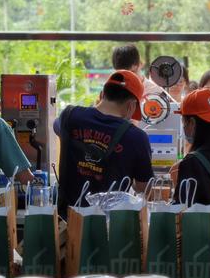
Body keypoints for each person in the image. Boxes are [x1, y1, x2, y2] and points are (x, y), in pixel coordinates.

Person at [57, 70, 154, 214]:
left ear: (102, 94)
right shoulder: (136, 137)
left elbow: (56, 128)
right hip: (111, 226)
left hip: (68, 221)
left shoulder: (70, 115)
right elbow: (144, 189)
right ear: (131, 106)